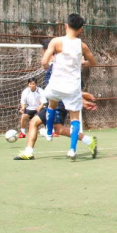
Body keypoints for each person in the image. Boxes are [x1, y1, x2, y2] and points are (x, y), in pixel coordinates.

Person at [43, 13, 97, 160]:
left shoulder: (56, 42)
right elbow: (93, 62)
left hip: (56, 84)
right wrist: (84, 63)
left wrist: (47, 66)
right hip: (72, 87)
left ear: (66, 26)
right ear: (80, 29)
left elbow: (44, 62)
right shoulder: (82, 45)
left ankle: (48, 132)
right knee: (74, 118)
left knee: (51, 105)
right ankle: (72, 150)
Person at [14, 93, 98, 160]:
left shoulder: (57, 72)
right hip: (50, 105)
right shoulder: (49, 73)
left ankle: (88, 140)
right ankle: (28, 152)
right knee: (33, 122)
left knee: (58, 129)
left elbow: (66, 87)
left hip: (58, 105)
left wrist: (80, 95)